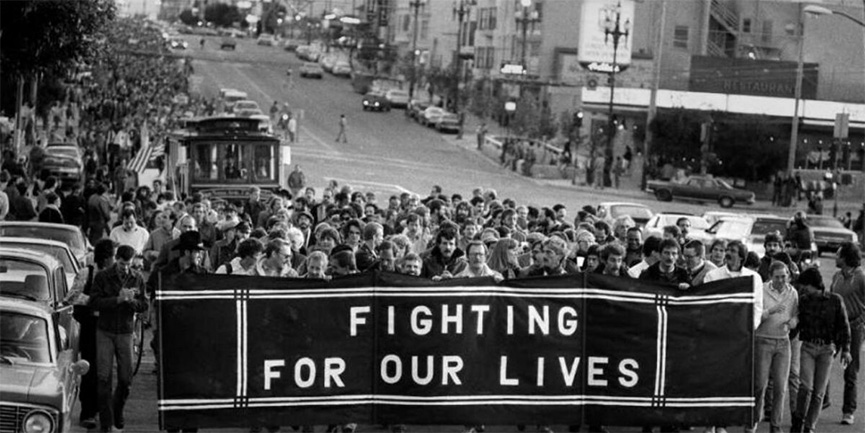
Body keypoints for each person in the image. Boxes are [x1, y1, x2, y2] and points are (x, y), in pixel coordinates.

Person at [88, 244, 149, 433]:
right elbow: (94, 302)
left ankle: (117, 411)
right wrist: (117, 300)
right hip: (105, 331)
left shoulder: (137, 278)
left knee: (126, 379)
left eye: (128, 264)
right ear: (116, 259)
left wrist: (132, 302)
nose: (125, 267)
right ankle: (106, 424)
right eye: (122, 263)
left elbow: (144, 304)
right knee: (104, 378)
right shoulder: (102, 277)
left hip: (125, 331)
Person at [792, 267, 852, 433]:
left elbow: (844, 327)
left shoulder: (835, 300)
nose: (804, 290)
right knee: (805, 387)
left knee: (818, 393)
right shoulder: (804, 301)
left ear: (814, 285)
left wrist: (846, 350)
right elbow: (797, 325)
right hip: (808, 348)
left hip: (827, 349)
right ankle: (798, 419)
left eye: (806, 286)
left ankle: (809, 427)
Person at [72, 239, 116, 429]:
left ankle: (102, 410)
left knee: (105, 371)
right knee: (89, 369)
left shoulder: (115, 275)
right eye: (113, 256)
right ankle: (88, 412)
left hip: (109, 328)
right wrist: (94, 301)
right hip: (90, 328)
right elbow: (72, 296)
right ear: (106, 258)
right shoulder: (86, 273)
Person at [751, 261, 799, 433]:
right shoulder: (761, 290)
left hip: (783, 342)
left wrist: (792, 323)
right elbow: (754, 317)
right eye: (777, 277)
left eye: (784, 276)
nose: (781, 280)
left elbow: (795, 316)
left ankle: (775, 426)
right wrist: (771, 310)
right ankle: (754, 420)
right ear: (770, 276)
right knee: (759, 384)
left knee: (780, 386)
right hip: (763, 340)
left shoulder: (792, 292)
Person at [831, 241, 865, 425]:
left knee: (850, 371)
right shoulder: (836, 275)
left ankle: (848, 411)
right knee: (824, 361)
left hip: (854, 328)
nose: (835, 257)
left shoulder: (861, 277)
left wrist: (861, 321)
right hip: (836, 327)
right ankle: (823, 399)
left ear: (846, 258)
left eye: (838, 254)